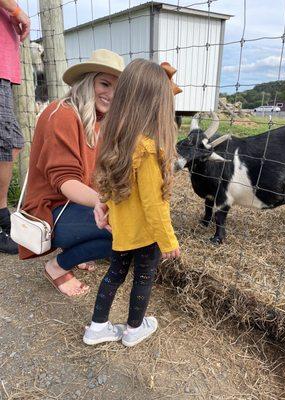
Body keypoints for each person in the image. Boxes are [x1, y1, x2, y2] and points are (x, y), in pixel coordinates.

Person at [83, 59, 181, 348]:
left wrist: (108, 211)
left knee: (114, 275)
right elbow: (154, 205)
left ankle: (97, 327)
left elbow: (113, 189)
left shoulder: (119, 141)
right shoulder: (149, 151)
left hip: (122, 230)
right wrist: (168, 241)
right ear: (158, 105)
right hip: (145, 234)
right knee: (143, 278)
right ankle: (133, 329)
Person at [19, 49, 125, 297]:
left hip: (71, 206)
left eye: (117, 89)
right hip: (50, 208)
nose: (111, 94)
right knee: (123, 230)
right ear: (87, 81)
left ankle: (77, 246)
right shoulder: (63, 114)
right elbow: (65, 181)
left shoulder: (98, 119)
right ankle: (57, 267)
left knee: (125, 216)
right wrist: (103, 203)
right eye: (104, 83)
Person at [0, 0, 30, 254]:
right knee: (4, 145)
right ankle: (0, 219)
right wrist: (17, 11)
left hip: (6, 70)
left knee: (14, 143)